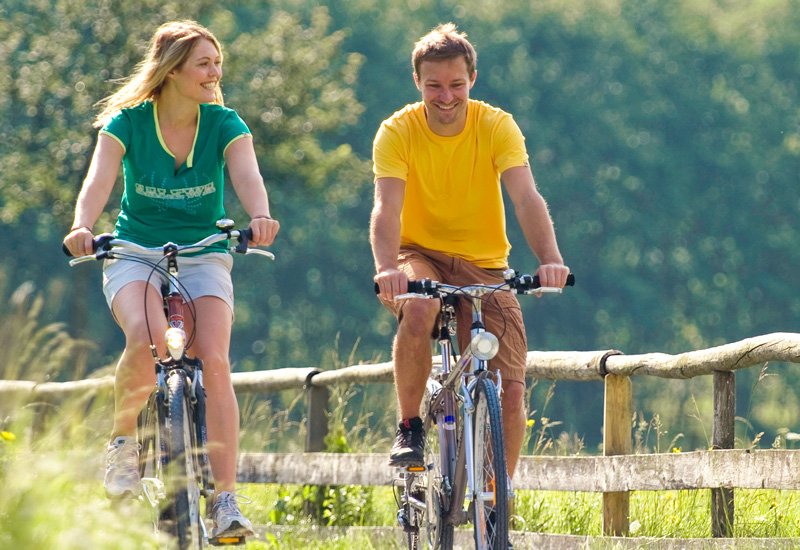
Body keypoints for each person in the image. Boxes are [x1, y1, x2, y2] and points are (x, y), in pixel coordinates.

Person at [62, 20, 279, 539]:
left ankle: (225, 501)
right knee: (146, 337)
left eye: (216, 62)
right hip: (134, 251)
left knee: (216, 358)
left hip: (205, 251)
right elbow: (100, 178)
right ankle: (122, 447)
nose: (214, 72)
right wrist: (82, 227)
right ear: (172, 70)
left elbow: (247, 174)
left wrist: (261, 216)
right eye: (203, 63)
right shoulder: (128, 123)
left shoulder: (225, 123)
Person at [370, 20, 570, 523]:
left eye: (456, 84)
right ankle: (411, 426)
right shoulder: (398, 131)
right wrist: (386, 267)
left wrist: (549, 259)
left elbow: (525, 197)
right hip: (418, 254)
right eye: (434, 85)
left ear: (472, 79)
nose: (445, 96)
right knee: (420, 308)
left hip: (485, 264)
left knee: (509, 384)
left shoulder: (496, 125)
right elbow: (386, 210)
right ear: (418, 82)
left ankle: (492, 502)